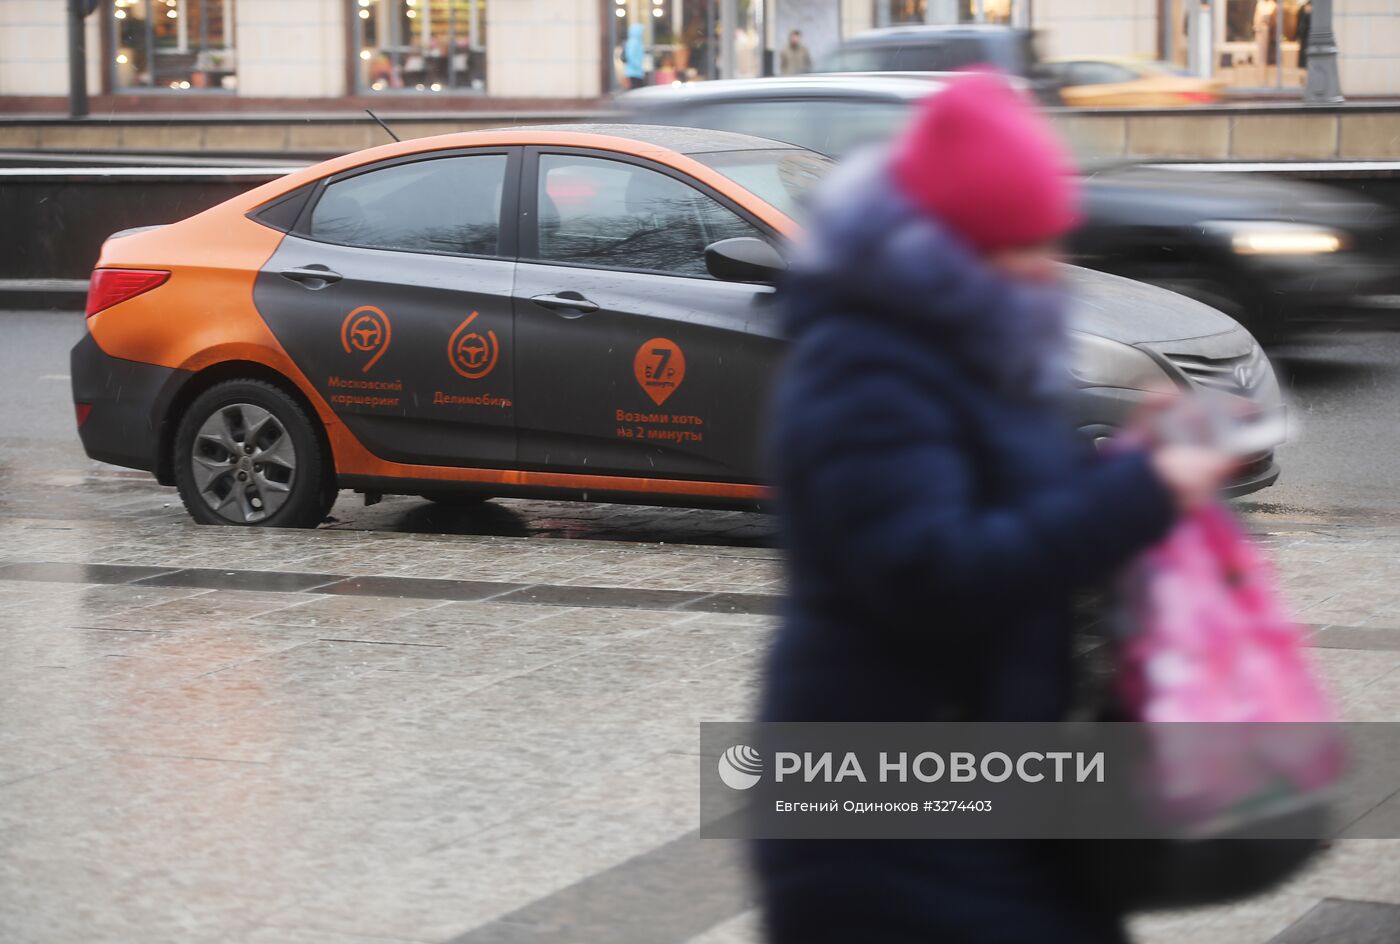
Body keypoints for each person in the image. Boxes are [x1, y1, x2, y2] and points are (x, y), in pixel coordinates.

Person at [755, 74, 1236, 943]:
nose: (1051, 266)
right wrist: (1141, 493)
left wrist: (1136, 462)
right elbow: (936, 573)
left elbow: (1021, 514)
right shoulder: (863, 368)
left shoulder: (976, 342)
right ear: (956, 245)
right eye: (1026, 243)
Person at [623, 23, 647, 90]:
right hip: (633, 72)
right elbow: (631, 56)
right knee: (635, 91)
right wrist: (638, 67)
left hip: (636, 72)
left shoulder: (637, 42)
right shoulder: (633, 42)